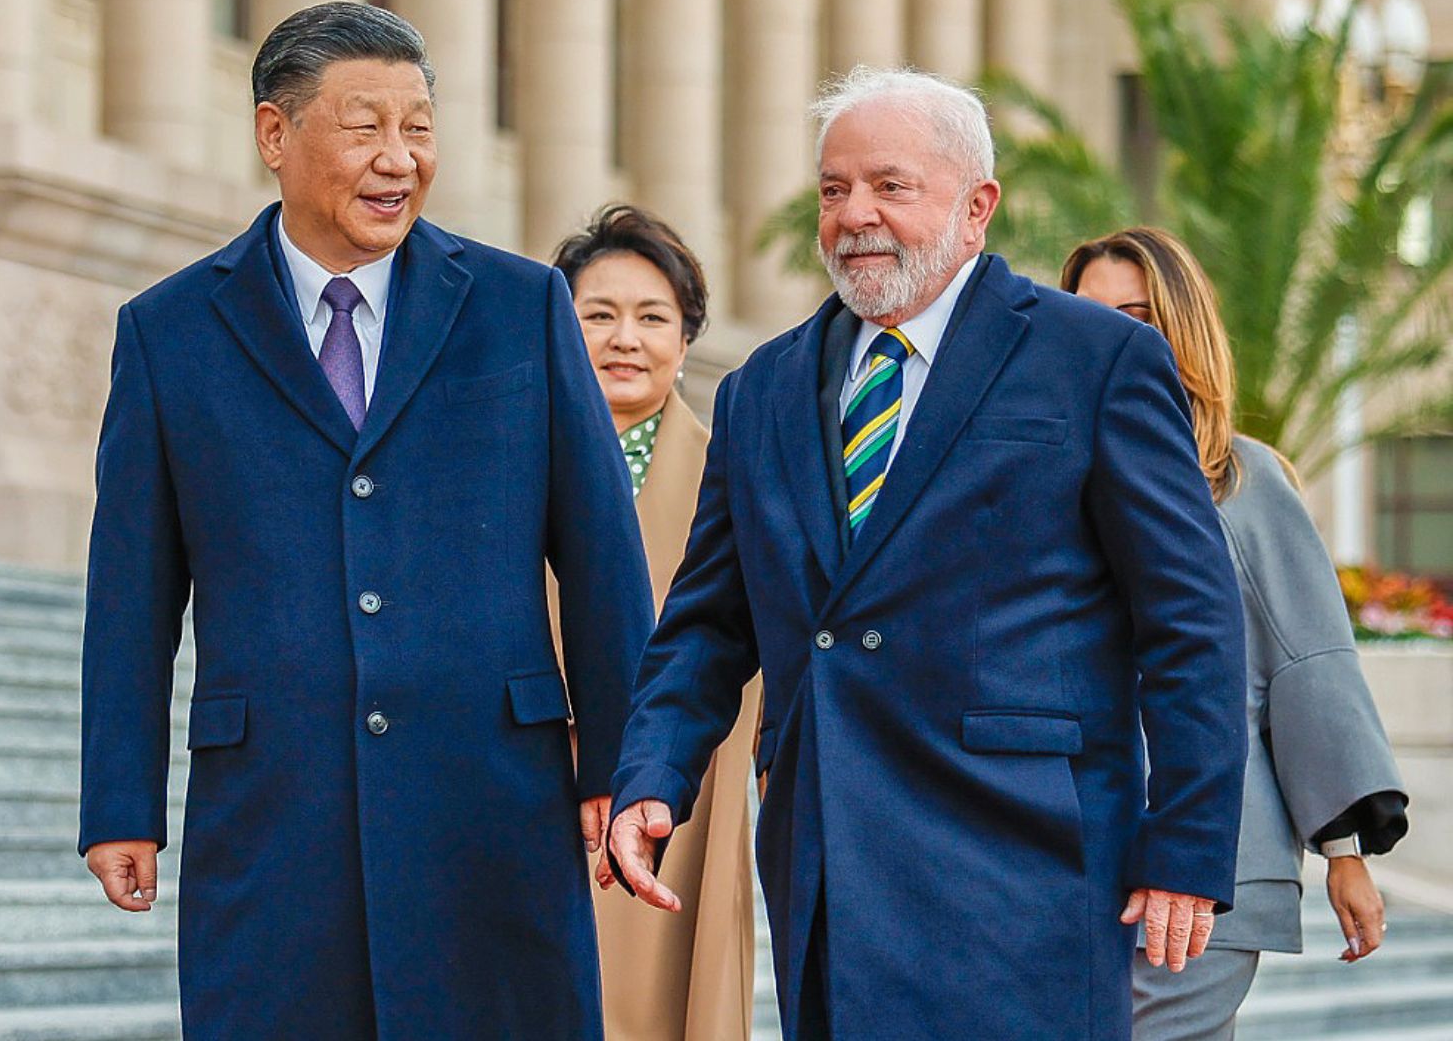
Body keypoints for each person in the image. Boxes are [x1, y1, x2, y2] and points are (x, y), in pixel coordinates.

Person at [604, 66, 1248, 1039]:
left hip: (1028, 872)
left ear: (977, 205)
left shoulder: (1096, 360)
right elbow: (706, 622)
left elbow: (1191, 618)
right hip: (829, 868)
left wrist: (1188, 846)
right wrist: (653, 774)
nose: (856, 214)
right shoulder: (760, 391)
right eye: (833, 190)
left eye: (890, 186)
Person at [78, 1, 653, 1040]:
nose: (400, 158)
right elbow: (132, 593)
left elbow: (603, 554)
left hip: (492, 801)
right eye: (365, 126)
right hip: (273, 812)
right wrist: (120, 800)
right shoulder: (168, 334)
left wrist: (623, 762)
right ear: (273, 134)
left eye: (420, 126)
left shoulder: (521, 307)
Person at [1065, 226, 1409, 1041]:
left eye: (1138, 317)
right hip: (1079, 855)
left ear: (1182, 330)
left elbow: (1309, 668)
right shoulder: (1054, 477)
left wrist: (1346, 853)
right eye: (1087, 318)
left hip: (1218, 858)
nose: (1111, 339)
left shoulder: (1245, 482)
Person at [551, 204, 761, 1041]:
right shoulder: (506, 467)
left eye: (652, 318)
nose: (624, 339)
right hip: (532, 778)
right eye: (598, 316)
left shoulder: (734, 472)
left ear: (687, 338)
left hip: (682, 796)